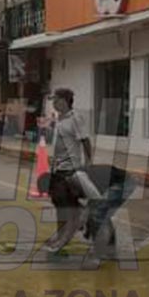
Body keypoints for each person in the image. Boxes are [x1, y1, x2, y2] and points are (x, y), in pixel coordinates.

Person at [42, 88, 103, 257]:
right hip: (57, 169)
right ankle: (61, 234)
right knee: (59, 205)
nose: (53, 103)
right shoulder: (58, 120)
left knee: (67, 206)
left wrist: (89, 162)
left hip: (70, 170)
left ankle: (72, 231)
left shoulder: (75, 119)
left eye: (56, 99)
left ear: (64, 100)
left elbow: (85, 140)